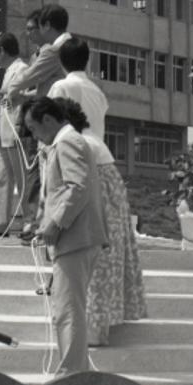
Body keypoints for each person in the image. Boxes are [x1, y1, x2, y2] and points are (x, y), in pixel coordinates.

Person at [23, 97, 108, 376]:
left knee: (68, 312)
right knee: (66, 310)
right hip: (75, 239)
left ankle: (72, 376)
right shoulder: (65, 142)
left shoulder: (68, 142)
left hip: (75, 239)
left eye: (33, 129)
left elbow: (78, 186)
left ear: (48, 120)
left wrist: (56, 223)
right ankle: (73, 372)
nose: (34, 136)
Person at [58, 98, 147, 347]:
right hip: (111, 198)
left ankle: (93, 331)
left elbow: (79, 185)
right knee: (106, 263)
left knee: (96, 265)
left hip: (100, 200)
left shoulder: (77, 141)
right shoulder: (92, 139)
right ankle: (98, 327)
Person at [7, 5, 71, 241]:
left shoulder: (53, 51)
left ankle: (44, 227)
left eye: (36, 28)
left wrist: (10, 90)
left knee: (49, 176)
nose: (34, 34)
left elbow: (30, 76)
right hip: (66, 122)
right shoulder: (68, 48)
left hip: (53, 124)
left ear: (46, 26)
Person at [0, 32, 30, 237]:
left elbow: (20, 101)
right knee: (2, 179)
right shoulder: (10, 70)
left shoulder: (21, 69)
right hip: (5, 132)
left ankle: (30, 223)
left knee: (22, 180)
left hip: (15, 132)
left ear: (2, 51)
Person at [48, 37, 108, 141]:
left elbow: (50, 123)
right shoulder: (99, 93)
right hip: (96, 152)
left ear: (61, 61)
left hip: (70, 151)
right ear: (87, 60)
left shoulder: (60, 87)